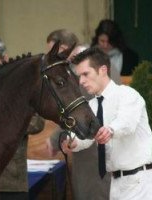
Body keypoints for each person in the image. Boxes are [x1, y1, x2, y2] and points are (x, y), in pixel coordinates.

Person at [61, 47, 152, 200]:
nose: (81, 81)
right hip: (115, 184)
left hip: (140, 182)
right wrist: (72, 142)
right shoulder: (91, 105)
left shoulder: (128, 94)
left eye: (85, 74)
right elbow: (86, 136)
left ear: (102, 70)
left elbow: (126, 123)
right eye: (79, 76)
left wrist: (110, 130)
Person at [46, 29, 112, 200]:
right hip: (85, 152)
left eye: (53, 52)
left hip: (99, 156)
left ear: (65, 48)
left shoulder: (89, 67)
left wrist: (55, 139)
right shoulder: (77, 68)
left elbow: (84, 109)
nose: (51, 58)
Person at [0, 36, 45, 200]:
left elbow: (38, 122)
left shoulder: (24, 86)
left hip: (12, 179)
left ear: (5, 59)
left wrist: (3, 122)